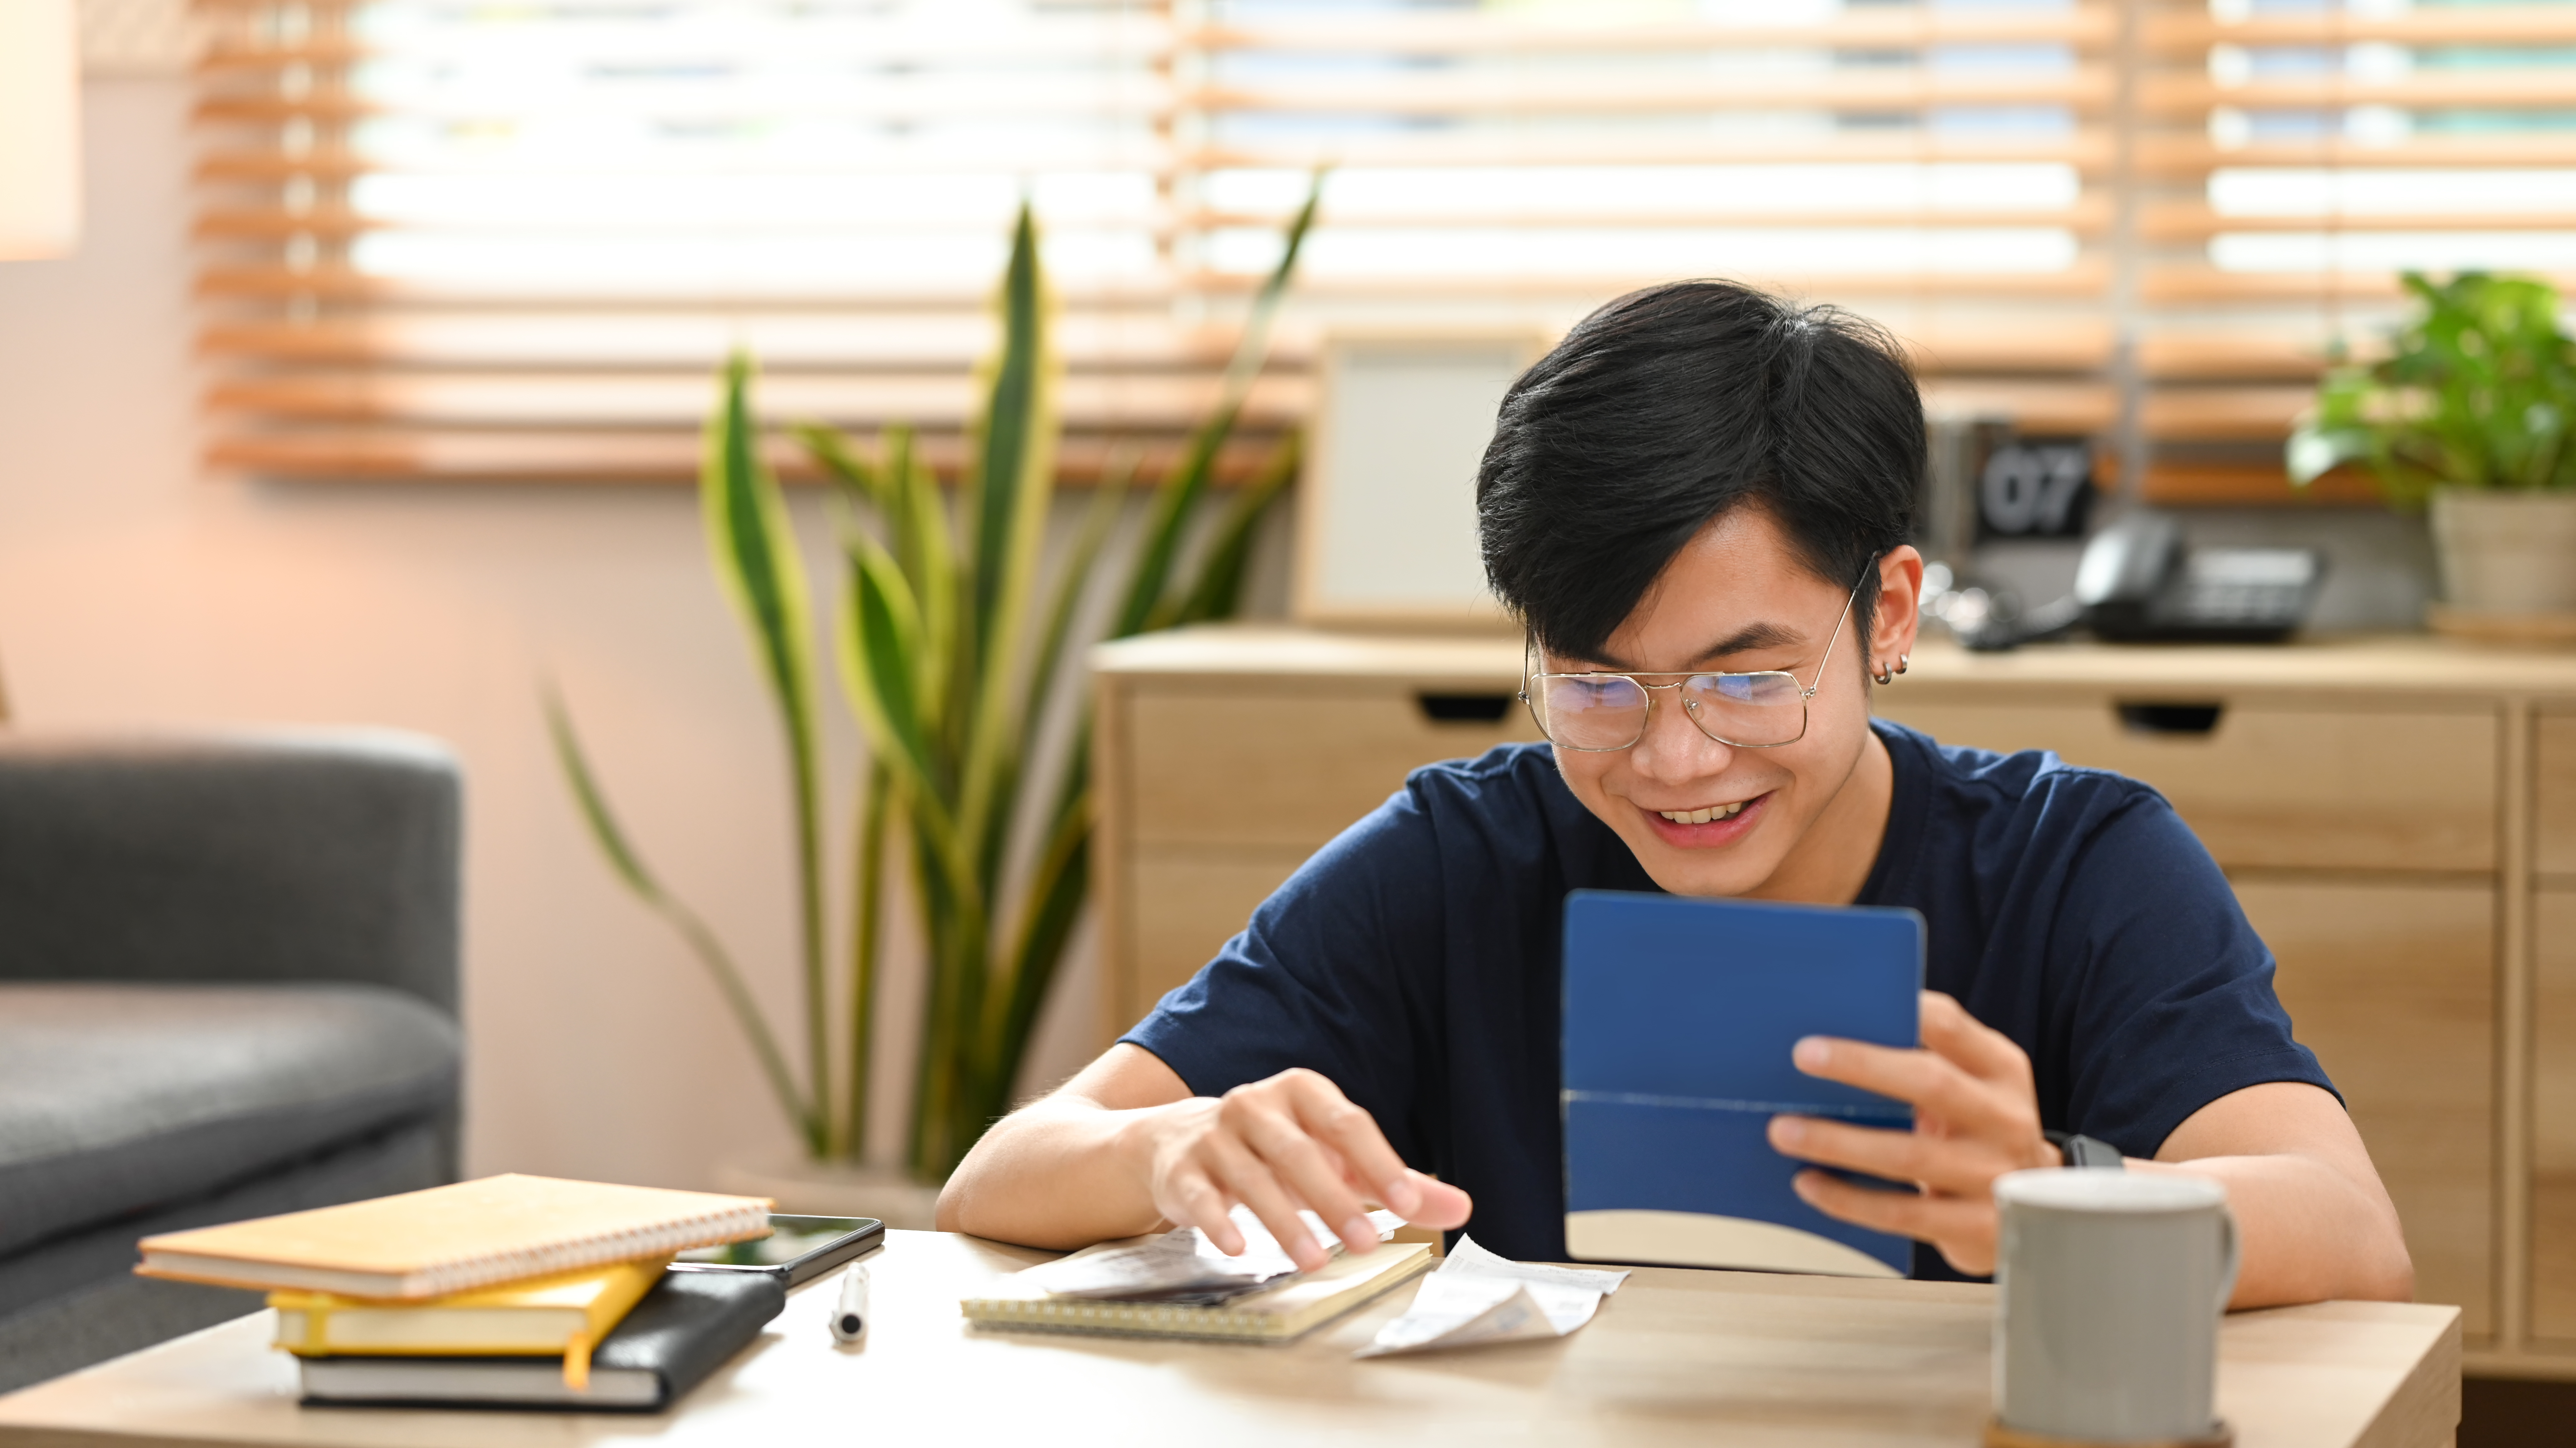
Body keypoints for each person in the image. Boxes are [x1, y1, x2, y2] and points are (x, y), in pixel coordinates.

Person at [938, 280, 2414, 1306]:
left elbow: (2352, 1232)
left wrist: (2049, 1187)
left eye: (1747, 675)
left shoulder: (2077, 859)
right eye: (1595, 679)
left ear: (1888, 612)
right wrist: (1170, 1144)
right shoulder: (1460, 856)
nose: (1672, 758)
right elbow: (1000, 1175)